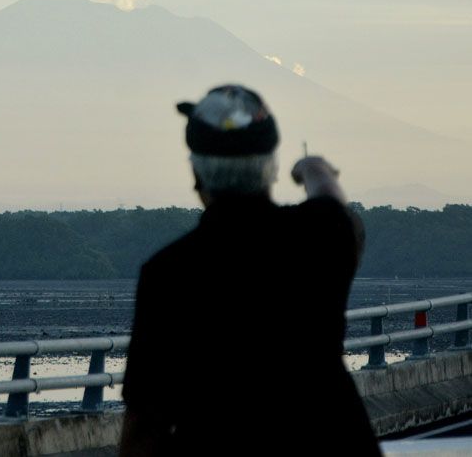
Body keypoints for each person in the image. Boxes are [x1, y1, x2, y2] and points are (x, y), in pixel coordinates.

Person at [119, 85, 380, 455]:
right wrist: (312, 167)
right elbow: (332, 199)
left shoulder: (168, 273)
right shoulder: (321, 239)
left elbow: (145, 422)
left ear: (197, 175)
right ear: (271, 169)